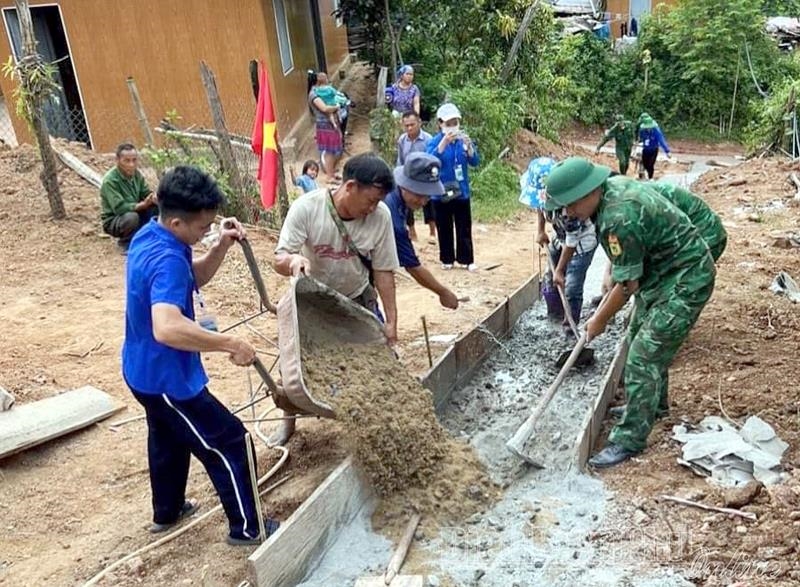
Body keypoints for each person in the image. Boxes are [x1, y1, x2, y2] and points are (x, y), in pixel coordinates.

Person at [122, 165, 279, 545]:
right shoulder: (169, 259)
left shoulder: (151, 236)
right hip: (168, 379)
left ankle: (168, 510)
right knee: (229, 441)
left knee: (167, 436)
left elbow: (191, 278)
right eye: (202, 228)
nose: (205, 232)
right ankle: (249, 528)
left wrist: (219, 246)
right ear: (176, 221)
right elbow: (167, 326)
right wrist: (229, 343)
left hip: (140, 370)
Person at [545, 157, 717, 468]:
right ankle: (654, 406)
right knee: (638, 334)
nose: (568, 212)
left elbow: (626, 286)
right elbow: (625, 268)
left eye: (570, 205)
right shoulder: (610, 192)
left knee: (643, 355)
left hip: (686, 278)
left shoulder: (618, 215)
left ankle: (630, 439)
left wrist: (598, 320)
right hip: (662, 273)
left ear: (588, 192)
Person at [272, 153, 399, 445]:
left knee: (378, 360)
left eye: (379, 201)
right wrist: (293, 261)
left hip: (355, 295)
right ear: (350, 186)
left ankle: (378, 426)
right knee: (294, 367)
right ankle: (288, 423)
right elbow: (278, 257)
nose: (373, 208)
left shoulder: (380, 217)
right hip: (312, 300)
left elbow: (383, 271)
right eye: (371, 200)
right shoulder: (307, 208)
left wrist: (391, 321)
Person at [521, 157, 598, 327]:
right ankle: (554, 313)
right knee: (550, 278)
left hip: (582, 243)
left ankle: (570, 325)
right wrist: (541, 231)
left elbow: (572, 241)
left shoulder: (569, 207)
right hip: (561, 237)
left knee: (572, 286)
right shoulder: (544, 200)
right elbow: (540, 208)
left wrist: (561, 270)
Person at [386, 152, 459, 309]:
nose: (423, 201)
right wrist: (443, 292)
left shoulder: (399, 198)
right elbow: (412, 265)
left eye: (427, 196)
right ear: (405, 185)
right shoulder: (390, 213)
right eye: (420, 194)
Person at [427, 103, 480, 271]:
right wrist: (442, 144)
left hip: (461, 191)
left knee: (464, 226)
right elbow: (429, 161)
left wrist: (470, 148)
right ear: (440, 123)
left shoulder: (462, 140)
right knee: (444, 226)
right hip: (441, 191)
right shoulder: (435, 142)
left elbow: (475, 162)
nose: (452, 127)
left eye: (455, 123)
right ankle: (447, 258)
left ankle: (467, 259)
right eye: (448, 124)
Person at [100, 143, 157, 252]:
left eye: (134, 160)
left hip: (135, 211)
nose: (131, 164)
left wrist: (153, 198)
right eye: (127, 161)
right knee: (132, 217)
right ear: (117, 160)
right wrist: (143, 205)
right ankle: (126, 243)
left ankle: (147, 238)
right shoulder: (110, 181)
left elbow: (145, 192)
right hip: (115, 219)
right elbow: (120, 208)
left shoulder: (136, 175)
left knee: (156, 207)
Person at [397, 110, 435, 242]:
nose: (409, 128)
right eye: (406, 125)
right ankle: (412, 231)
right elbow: (400, 159)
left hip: (425, 175)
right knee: (407, 204)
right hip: (408, 176)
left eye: (412, 124)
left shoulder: (428, 139)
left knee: (428, 202)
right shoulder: (402, 140)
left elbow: (432, 158)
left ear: (419, 123)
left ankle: (432, 232)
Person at [308, 71, 344, 182]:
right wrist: (337, 106)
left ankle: (332, 173)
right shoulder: (314, 94)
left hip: (330, 124)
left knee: (334, 150)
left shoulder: (319, 91)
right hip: (324, 125)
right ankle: (329, 176)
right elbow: (324, 108)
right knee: (329, 151)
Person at [637, 112, 671, 179]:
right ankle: (644, 174)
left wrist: (667, 151)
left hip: (654, 149)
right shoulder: (642, 130)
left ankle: (650, 178)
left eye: (649, 127)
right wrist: (639, 141)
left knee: (650, 165)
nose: (648, 129)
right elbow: (641, 138)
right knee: (645, 164)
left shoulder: (656, 130)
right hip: (645, 149)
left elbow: (661, 140)